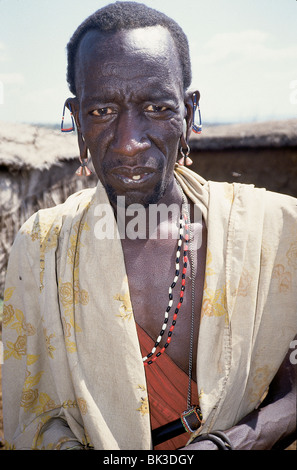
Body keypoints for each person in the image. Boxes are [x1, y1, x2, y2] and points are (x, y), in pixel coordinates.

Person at [2, 1, 296, 451]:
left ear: (190, 111)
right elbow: (29, 414)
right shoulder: (44, 246)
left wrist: (228, 445)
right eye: (102, 112)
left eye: (157, 107)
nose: (129, 142)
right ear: (76, 118)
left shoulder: (277, 233)